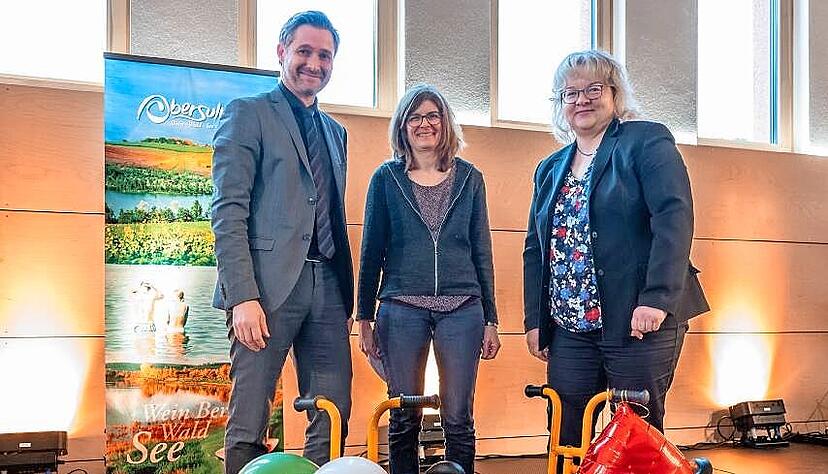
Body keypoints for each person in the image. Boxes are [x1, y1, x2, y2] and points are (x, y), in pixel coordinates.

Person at [522, 50, 709, 468]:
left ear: (614, 93)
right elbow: (537, 247)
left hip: (636, 319)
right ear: (560, 103)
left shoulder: (645, 141)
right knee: (566, 429)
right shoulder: (549, 168)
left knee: (634, 431)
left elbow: (673, 217)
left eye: (593, 89)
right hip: (570, 327)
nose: (581, 99)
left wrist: (657, 298)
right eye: (570, 92)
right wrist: (535, 320)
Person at [211, 11, 353, 473]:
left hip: (329, 286)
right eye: (305, 51)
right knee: (251, 417)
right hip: (266, 289)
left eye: (325, 55)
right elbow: (227, 210)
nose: (315, 63)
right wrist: (243, 296)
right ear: (282, 52)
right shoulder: (248, 113)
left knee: (332, 412)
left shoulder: (337, 133)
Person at [357, 84, 501, 474]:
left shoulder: (470, 179)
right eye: (415, 116)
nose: (424, 124)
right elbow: (371, 251)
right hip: (401, 308)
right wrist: (364, 318)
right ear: (403, 126)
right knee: (404, 415)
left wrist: (491, 319)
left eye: (432, 115)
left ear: (445, 123)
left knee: (458, 417)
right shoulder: (386, 179)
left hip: (462, 310)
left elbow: (482, 251)